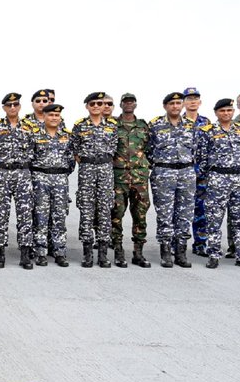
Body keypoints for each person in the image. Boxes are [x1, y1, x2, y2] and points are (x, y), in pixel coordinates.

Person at [195, 98, 240, 270]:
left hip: (239, 178)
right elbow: (200, 158)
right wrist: (207, 177)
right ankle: (214, 254)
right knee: (214, 219)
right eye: (222, 111)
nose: (226, 113)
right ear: (216, 113)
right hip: (218, 178)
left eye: (229, 110)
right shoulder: (207, 131)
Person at [146, 90, 197, 268]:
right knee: (165, 214)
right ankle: (166, 251)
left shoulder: (191, 125)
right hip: (163, 173)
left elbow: (197, 150)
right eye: (171, 104)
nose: (175, 106)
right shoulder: (155, 125)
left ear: (182, 105)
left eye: (178, 103)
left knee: (185, 214)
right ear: (165, 106)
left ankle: (181, 251)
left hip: (186, 173)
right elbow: (148, 150)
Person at [0, 92, 36, 268]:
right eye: (9, 105)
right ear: (4, 108)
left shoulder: (29, 127)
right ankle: (0, 253)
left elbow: (35, 150)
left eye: (16, 104)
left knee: (25, 215)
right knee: (0, 214)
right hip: (2, 173)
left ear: (20, 106)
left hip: (23, 173)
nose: (13, 107)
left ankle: (25, 253)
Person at [71, 94, 118, 267]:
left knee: (105, 209)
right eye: (93, 103)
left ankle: (103, 253)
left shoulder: (112, 127)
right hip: (87, 170)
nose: (97, 106)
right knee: (86, 209)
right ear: (87, 106)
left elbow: (113, 149)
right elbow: (75, 151)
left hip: (105, 170)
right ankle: (87, 252)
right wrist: (88, 163)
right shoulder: (80, 126)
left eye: (100, 103)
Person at [30, 102, 74, 267]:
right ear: (44, 116)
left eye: (57, 115)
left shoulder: (67, 136)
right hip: (40, 178)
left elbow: (71, 160)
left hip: (60, 179)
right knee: (40, 216)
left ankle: (59, 251)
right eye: (51, 115)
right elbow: (30, 157)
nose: (54, 118)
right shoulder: (35, 135)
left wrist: (60, 174)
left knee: (59, 216)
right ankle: (40, 251)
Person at [111, 92, 152, 268]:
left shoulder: (143, 126)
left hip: (139, 179)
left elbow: (149, 148)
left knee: (140, 216)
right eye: (125, 102)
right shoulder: (113, 126)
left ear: (135, 104)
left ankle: (138, 252)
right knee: (116, 215)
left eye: (131, 102)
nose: (128, 104)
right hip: (119, 178)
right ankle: (118, 251)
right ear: (120, 104)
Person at [182, 89, 211, 254]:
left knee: (201, 210)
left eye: (196, 99)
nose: (193, 102)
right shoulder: (178, 121)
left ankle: (200, 244)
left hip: (201, 174)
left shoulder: (206, 122)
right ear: (184, 102)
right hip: (183, 172)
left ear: (200, 102)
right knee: (181, 209)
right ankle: (177, 244)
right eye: (189, 99)